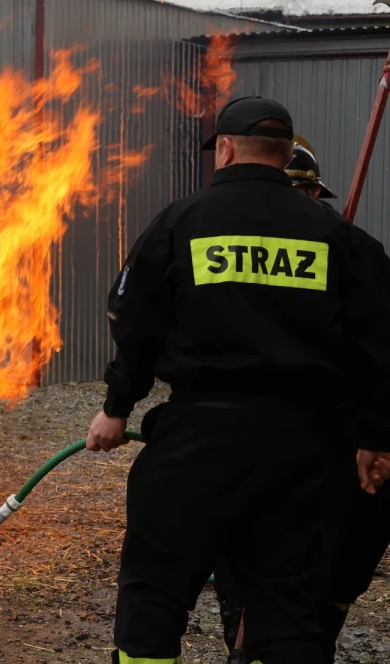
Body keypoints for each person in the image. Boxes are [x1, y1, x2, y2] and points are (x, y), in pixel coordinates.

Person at [83, 97, 390, 664]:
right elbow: (378, 346)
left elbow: (133, 318)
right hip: (304, 451)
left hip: (197, 441)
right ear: (286, 152)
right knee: (290, 604)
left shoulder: (181, 222)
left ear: (224, 148)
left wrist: (118, 405)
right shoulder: (343, 239)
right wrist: (374, 435)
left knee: (154, 593)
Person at [215, 136, 390, 664]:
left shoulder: (355, 255)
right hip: (271, 445)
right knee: (254, 568)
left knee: (330, 572)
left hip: (332, 446)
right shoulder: (346, 252)